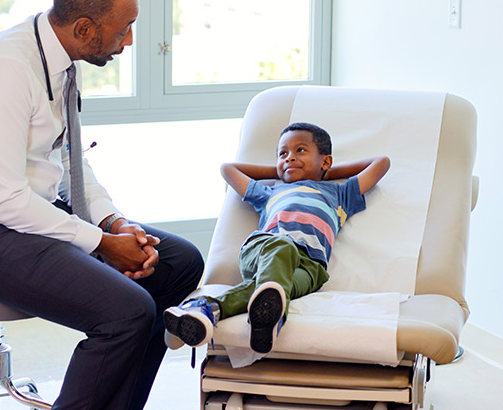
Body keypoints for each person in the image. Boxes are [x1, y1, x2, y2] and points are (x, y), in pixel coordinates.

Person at [0, 0, 204, 410]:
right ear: (85, 28)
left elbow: (70, 157)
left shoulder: (63, 60)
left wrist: (114, 221)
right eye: (124, 29)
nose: (129, 41)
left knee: (179, 262)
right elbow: (3, 199)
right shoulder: (5, 70)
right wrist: (102, 243)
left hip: (25, 213)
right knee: (126, 312)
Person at [164, 122, 390, 353]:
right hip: (265, 250)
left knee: (278, 291)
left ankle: (204, 311)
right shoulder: (270, 192)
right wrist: (281, 171)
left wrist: (325, 173)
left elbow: (381, 163)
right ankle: (274, 319)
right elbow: (228, 168)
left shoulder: (340, 194)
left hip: (311, 268)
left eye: (300, 151)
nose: (290, 157)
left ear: (326, 160)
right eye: (283, 153)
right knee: (282, 248)